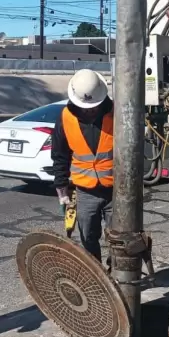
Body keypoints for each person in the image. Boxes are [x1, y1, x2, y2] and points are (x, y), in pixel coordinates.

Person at [51, 68, 114, 262]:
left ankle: (118, 274)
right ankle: (97, 276)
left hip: (117, 189)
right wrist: (62, 189)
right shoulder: (65, 117)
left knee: (119, 237)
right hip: (86, 191)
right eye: (87, 107)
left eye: (94, 106)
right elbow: (60, 155)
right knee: (87, 236)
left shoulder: (117, 112)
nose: (90, 110)